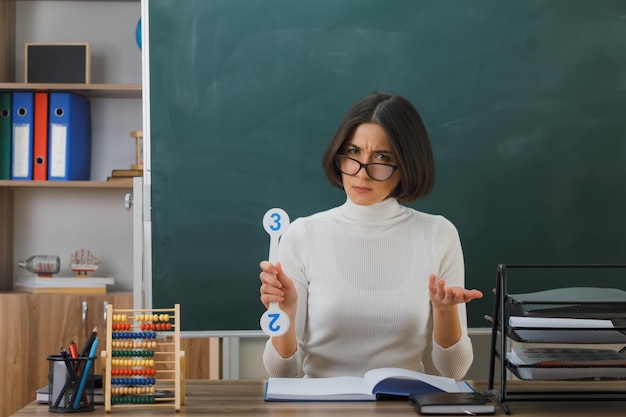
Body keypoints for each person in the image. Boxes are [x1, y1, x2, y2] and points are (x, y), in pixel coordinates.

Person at [259, 91, 483, 380]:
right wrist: (286, 317)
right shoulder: (302, 234)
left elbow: (454, 370)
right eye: (353, 153)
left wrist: (444, 312)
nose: (361, 173)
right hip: (319, 407)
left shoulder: (438, 234)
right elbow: (283, 373)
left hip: (403, 406)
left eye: (381, 157)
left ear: (407, 164)